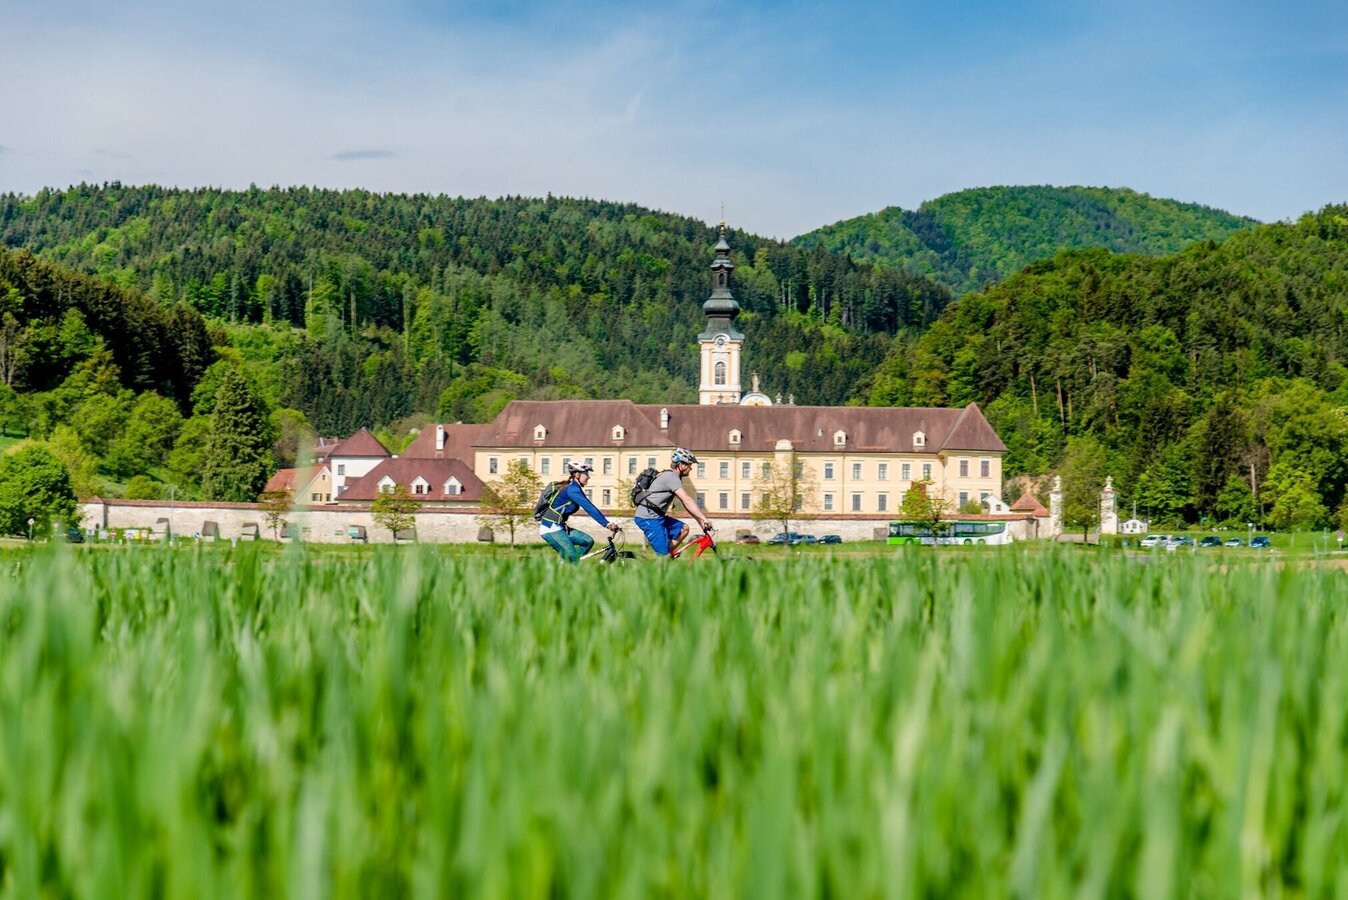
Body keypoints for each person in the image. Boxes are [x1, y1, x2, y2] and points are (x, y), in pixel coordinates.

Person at [634, 447, 714, 558]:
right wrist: (704, 519)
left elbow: (686, 504)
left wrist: (700, 521)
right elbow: (687, 500)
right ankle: (663, 559)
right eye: (689, 465)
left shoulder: (672, 477)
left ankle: (665, 557)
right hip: (648, 518)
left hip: (657, 517)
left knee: (683, 529)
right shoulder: (671, 477)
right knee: (664, 556)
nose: (691, 468)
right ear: (681, 465)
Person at [538, 461, 620, 563]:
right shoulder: (572, 489)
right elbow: (589, 507)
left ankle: (567, 564)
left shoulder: (574, 487)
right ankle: (571, 564)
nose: (588, 477)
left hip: (560, 527)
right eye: (586, 474)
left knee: (587, 542)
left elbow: (588, 506)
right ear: (577, 474)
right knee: (574, 560)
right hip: (551, 529)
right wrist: (606, 524)